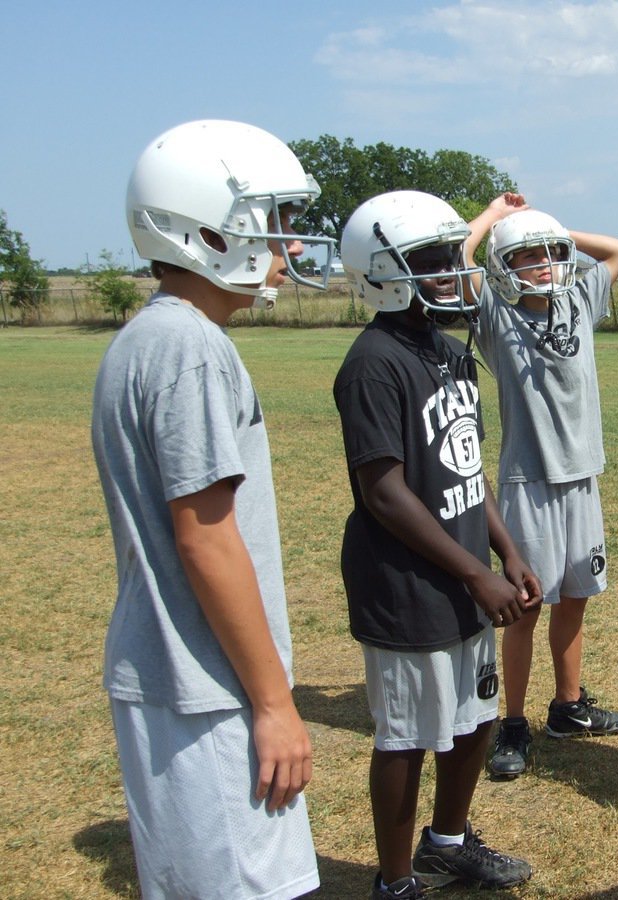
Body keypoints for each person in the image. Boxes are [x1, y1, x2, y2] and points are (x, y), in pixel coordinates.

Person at [91, 119, 336, 900]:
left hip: (178, 677)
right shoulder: (190, 348)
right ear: (203, 228)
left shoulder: (146, 337)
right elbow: (207, 539)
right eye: (270, 218)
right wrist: (273, 704)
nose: (286, 242)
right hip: (209, 689)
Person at [333, 190, 541, 898]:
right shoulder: (373, 363)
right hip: (407, 583)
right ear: (385, 272)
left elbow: (464, 466)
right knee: (406, 736)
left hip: (464, 574)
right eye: (434, 261)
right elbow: (384, 492)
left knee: (474, 714)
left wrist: (507, 552)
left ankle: (447, 842)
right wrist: (475, 575)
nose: (454, 272)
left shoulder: (449, 352)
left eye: (454, 257)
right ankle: (394, 883)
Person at [461, 195, 618, 779]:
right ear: (504, 266)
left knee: (577, 595)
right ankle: (512, 722)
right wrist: (492, 220)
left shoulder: (579, 298)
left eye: (550, 254)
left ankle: (567, 705)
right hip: (527, 480)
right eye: (526, 256)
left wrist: (555, 231)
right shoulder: (495, 314)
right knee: (526, 606)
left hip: (583, 475)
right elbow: (458, 261)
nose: (542, 265)